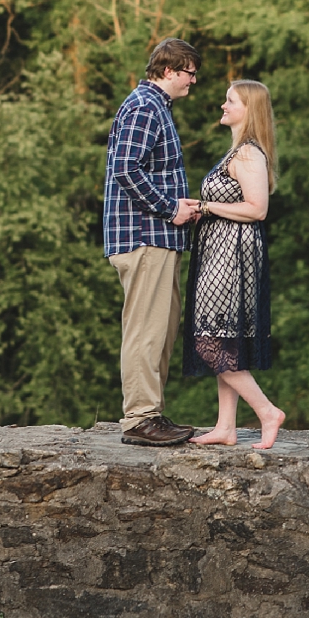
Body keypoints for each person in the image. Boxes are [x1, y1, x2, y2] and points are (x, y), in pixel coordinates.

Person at [103, 38, 203, 447]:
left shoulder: (154, 106)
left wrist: (178, 205)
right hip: (144, 236)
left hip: (156, 235)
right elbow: (125, 168)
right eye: (189, 73)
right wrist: (169, 208)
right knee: (146, 330)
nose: (193, 81)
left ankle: (150, 414)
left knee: (160, 328)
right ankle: (140, 419)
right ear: (168, 71)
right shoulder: (145, 106)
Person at [185, 79, 286, 450]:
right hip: (218, 250)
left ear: (248, 109)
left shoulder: (248, 155)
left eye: (230, 101)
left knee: (209, 340)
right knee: (222, 338)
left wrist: (207, 207)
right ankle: (226, 426)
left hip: (232, 255)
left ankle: (267, 412)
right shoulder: (237, 152)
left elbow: (257, 209)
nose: (222, 106)